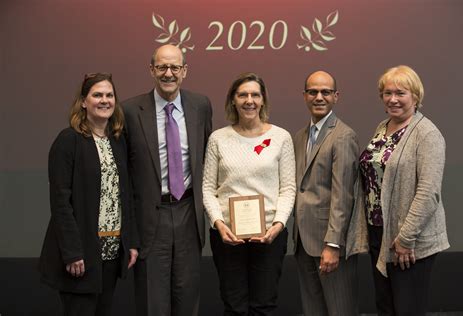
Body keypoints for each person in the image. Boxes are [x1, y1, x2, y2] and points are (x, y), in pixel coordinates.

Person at [122, 44, 213, 316]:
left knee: (187, 299)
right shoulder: (129, 110)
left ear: (185, 71)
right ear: (151, 70)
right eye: (162, 67)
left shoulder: (201, 106)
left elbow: (207, 157)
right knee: (153, 303)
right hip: (152, 217)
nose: (168, 73)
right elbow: (124, 173)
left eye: (175, 67)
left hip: (188, 213)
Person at [39, 73, 139, 316]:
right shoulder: (68, 141)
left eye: (109, 95)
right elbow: (60, 202)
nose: (104, 100)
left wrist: (131, 242)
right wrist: (73, 252)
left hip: (112, 251)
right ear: (83, 101)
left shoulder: (117, 141)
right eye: (97, 95)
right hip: (82, 255)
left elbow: (125, 195)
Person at [357, 65, 449, 315]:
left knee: (406, 309)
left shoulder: (427, 134)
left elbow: (428, 193)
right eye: (387, 93)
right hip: (381, 234)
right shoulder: (382, 127)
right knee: (385, 307)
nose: (393, 99)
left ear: (415, 96)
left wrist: (406, 239)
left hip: (408, 241)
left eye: (401, 93)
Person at [202, 72, 296, 315]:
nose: (249, 100)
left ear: (263, 100)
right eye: (242, 94)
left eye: (255, 94)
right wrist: (218, 223)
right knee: (234, 307)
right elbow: (208, 189)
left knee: (263, 306)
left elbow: (287, 189)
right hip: (227, 237)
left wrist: (278, 224)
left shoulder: (280, 137)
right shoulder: (218, 139)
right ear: (233, 100)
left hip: (269, 236)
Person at [293, 71, 359, 316]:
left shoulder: (343, 136)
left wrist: (333, 244)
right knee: (313, 311)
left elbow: (343, 196)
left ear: (336, 96)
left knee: (340, 309)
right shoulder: (300, 136)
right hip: (303, 242)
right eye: (313, 92)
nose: (318, 97)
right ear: (304, 96)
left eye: (325, 92)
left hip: (329, 245)